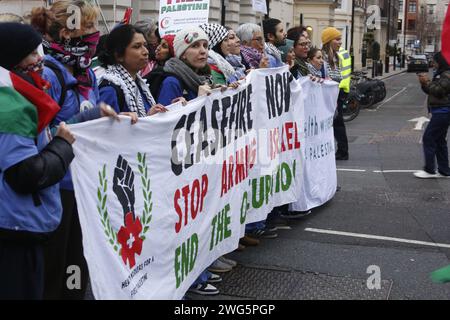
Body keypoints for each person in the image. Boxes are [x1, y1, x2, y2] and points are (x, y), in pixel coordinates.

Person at [30, 0, 102, 300]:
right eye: (88, 26)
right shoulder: (49, 73)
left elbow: (99, 117)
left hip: (86, 183)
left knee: (77, 263)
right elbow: (38, 133)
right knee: (55, 267)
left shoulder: (88, 74)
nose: (95, 33)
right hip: (59, 186)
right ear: (67, 33)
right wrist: (82, 121)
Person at [0, 22, 75, 300]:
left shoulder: (16, 96)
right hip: (14, 232)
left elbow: (40, 143)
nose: (40, 59)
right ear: (11, 59)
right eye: (31, 53)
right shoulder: (9, 105)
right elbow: (25, 174)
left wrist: (92, 119)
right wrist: (63, 148)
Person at [98, 24, 166, 116]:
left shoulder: (139, 85)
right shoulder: (110, 90)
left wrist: (175, 107)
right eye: (137, 46)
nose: (145, 52)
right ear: (119, 55)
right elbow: (104, 127)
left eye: (145, 45)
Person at [414, 52, 450, 178]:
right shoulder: (440, 74)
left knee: (428, 138)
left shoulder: (447, 75)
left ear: (440, 61)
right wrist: (423, 83)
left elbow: (439, 92)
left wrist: (427, 81)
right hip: (440, 111)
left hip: (443, 112)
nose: (432, 63)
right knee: (440, 141)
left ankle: (429, 170)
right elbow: (431, 91)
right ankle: (444, 170)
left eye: (434, 61)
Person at [321, 27, 349, 161]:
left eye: (340, 39)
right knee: (334, 123)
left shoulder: (334, 56)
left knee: (337, 123)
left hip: (336, 93)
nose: (340, 42)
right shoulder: (324, 56)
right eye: (337, 39)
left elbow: (335, 76)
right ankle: (340, 150)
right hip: (333, 93)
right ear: (328, 41)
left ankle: (343, 151)